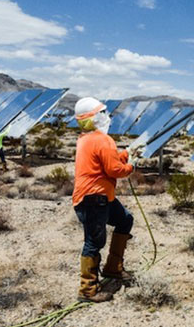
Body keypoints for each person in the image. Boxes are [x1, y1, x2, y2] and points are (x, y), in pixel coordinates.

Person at [72, 97, 135, 302]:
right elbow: (115, 170)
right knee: (94, 241)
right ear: (95, 117)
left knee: (125, 219)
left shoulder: (86, 138)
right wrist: (131, 166)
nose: (107, 116)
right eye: (103, 112)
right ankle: (88, 289)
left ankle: (113, 268)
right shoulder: (101, 139)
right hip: (93, 198)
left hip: (98, 197)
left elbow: (108, 159)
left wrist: (126, 154)